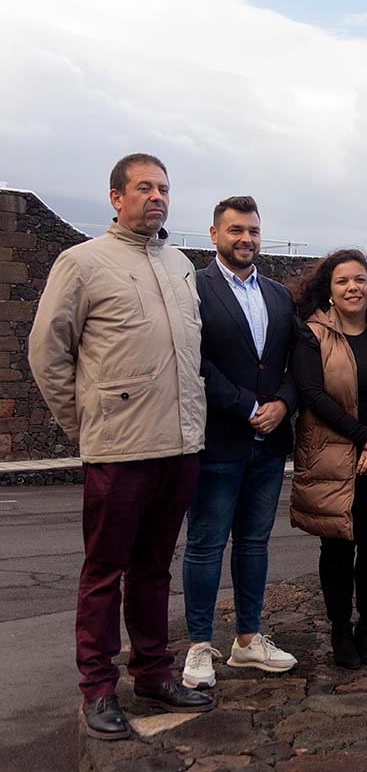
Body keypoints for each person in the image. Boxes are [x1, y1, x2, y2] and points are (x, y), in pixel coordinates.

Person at [29, 153, 213, 740]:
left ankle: (153, 673)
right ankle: (98, 687)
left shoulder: (182, 266)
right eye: (143, 188)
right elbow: (47, 352)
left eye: (163, 188)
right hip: (119, 447)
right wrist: (87, 424)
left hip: (180, 444)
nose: (156, 197)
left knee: (155, 567)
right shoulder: (81, 263)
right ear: (116, 196)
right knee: (105, 571)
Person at [181, 196, 299, 690]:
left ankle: (248, 640)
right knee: (206, 545)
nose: (246, 239)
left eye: (252, 230)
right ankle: (199, 647)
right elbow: (194, 360)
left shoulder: (278, 294)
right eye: (235, 230)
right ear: (214, 235)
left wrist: (282, 405)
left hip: (268, 444)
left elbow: (297, 363)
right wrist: (248, 406)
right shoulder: (194, 288)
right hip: (218, 439)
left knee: (254, 543)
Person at [290, 249, 367, 669]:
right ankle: (341, 630)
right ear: (330, 289)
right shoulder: (311, 334)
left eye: (360, 280)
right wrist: (364, 436)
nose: (352, 288)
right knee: (338, 548)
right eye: (343, 281)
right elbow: (311, 395)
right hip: (333, 458)